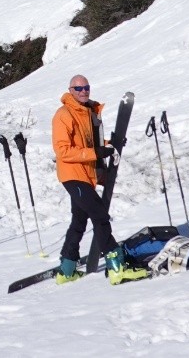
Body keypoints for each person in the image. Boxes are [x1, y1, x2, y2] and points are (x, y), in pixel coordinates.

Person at [51, 74, 118, 280]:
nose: (84, 91)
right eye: (78, 88)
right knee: (100, 215)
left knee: (79, 220)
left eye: (86, 87)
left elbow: (89, 142)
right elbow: (63, 151)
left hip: (85, 175)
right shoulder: (64, 114)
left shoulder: (88, 113)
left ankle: (67, 268)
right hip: (72, 175)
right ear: (70, 90)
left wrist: (109, 144)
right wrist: (96, 153)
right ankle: (117, 263)